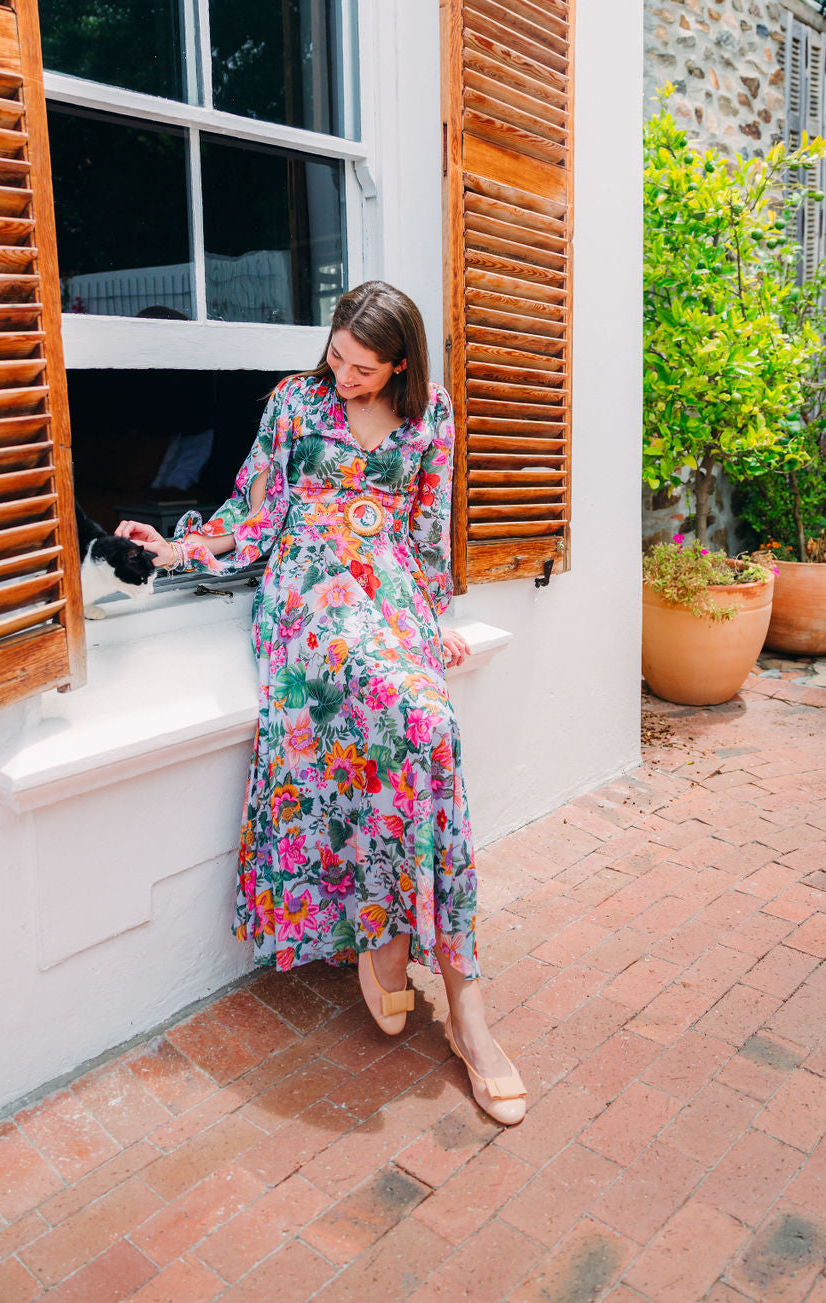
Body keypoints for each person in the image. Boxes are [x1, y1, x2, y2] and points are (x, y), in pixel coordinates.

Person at [116, 282, 526, 1125]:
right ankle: (385, 938)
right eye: (336, 354)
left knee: (431, 729)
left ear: (401, 365)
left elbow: (424, 530)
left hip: (391, 597)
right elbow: (250, 512)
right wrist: (175, 546)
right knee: (391, 713)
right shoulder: (295, 405)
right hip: (309, 595)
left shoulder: (432, 415)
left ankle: (464, 1006)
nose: (342, 373)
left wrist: (432, 619)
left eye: (363, 366)